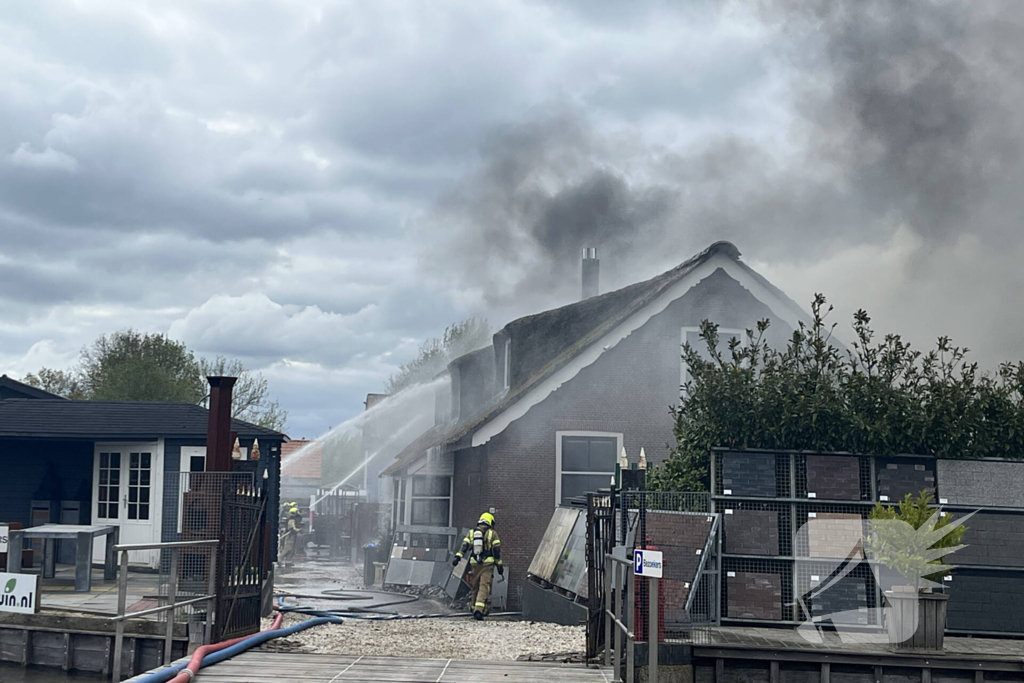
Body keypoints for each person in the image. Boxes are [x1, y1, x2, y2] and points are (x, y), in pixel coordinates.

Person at [452, 511, 503, 620]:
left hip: (474, 563)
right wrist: (499, 566)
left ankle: (473, 607)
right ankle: (479, 610)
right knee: (484, 586)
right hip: (487, 564)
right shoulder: (492, 533)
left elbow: (464, 546)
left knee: (475, 586)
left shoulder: (471, 533)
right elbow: (496, 551)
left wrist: (458, 557)